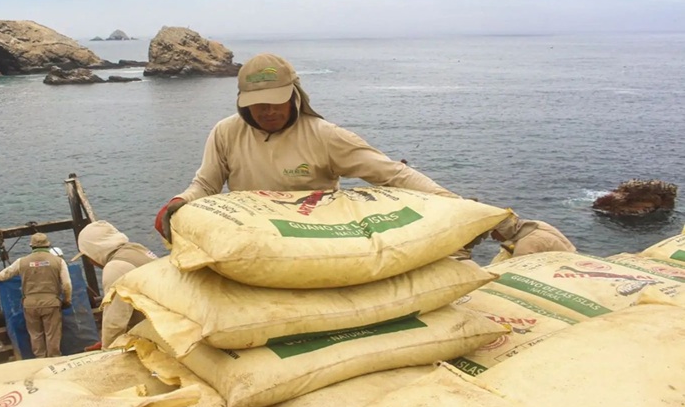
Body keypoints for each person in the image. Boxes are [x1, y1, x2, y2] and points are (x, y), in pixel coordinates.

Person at [155, 52, 460, 242]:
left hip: (316, 238)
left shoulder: (324, 135)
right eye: (258, 104)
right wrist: (180, 202)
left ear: (295, 97)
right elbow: (206, 184)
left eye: (277, 102)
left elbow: (391, 173)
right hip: (251, 237)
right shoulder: (226, 132)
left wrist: (453, 203)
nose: (268, 111)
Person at [72, 220, 157, 349]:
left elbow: (115, 322)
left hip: (156, 338)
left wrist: (107, 351)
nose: (90, 262)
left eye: (88, 256)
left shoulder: (117, 267)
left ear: (95, 250)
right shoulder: (138, 249)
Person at [0, 233, 72, 358]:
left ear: (31, 246)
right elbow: (67, 284)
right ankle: (54, 358)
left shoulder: (22, 262)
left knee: (35, 334)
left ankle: (39, 359)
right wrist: (67, 300)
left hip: (29, 304)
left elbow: (4, 274)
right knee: (52, 334)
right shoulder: (58, 261)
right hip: (51, 303)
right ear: (48, 245)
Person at [489, 212, 576, 264]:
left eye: (493, 232)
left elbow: (518, 273)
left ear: (503, 230)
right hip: (574, 259)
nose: (492, 237)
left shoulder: (524, 246)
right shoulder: (536, 224)